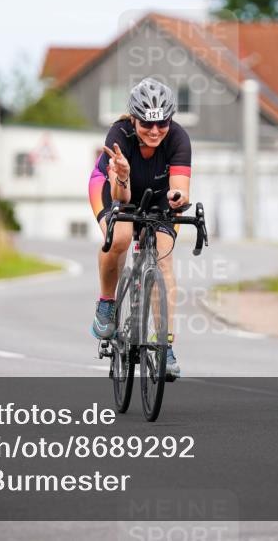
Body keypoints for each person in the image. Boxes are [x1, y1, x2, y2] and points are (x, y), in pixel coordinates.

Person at [88, 78, 191, 380]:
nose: (155, 131)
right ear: (134, 119)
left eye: (162, 123)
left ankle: (164, 346)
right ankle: (107, 303)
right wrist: (123, 175)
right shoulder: (119, 134)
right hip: (115, 189)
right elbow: (121, 198)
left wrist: (178, 197)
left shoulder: (179, 138)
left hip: (159, 197)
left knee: (163, 258)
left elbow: (180, 189)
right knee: (119, 237)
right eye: (147, 123)